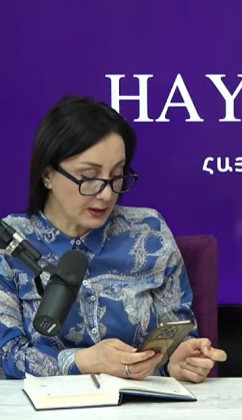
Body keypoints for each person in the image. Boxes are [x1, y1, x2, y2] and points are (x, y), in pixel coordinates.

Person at [0, 96, 226, 381]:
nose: (106, 194)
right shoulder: (10, 244)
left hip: (139, 401)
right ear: (48, 174)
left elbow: (176, 334)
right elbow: (6, 357)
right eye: (89, 177)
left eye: (117, 176)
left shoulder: (149, 232)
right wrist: (84, 361)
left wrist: (178, 361)